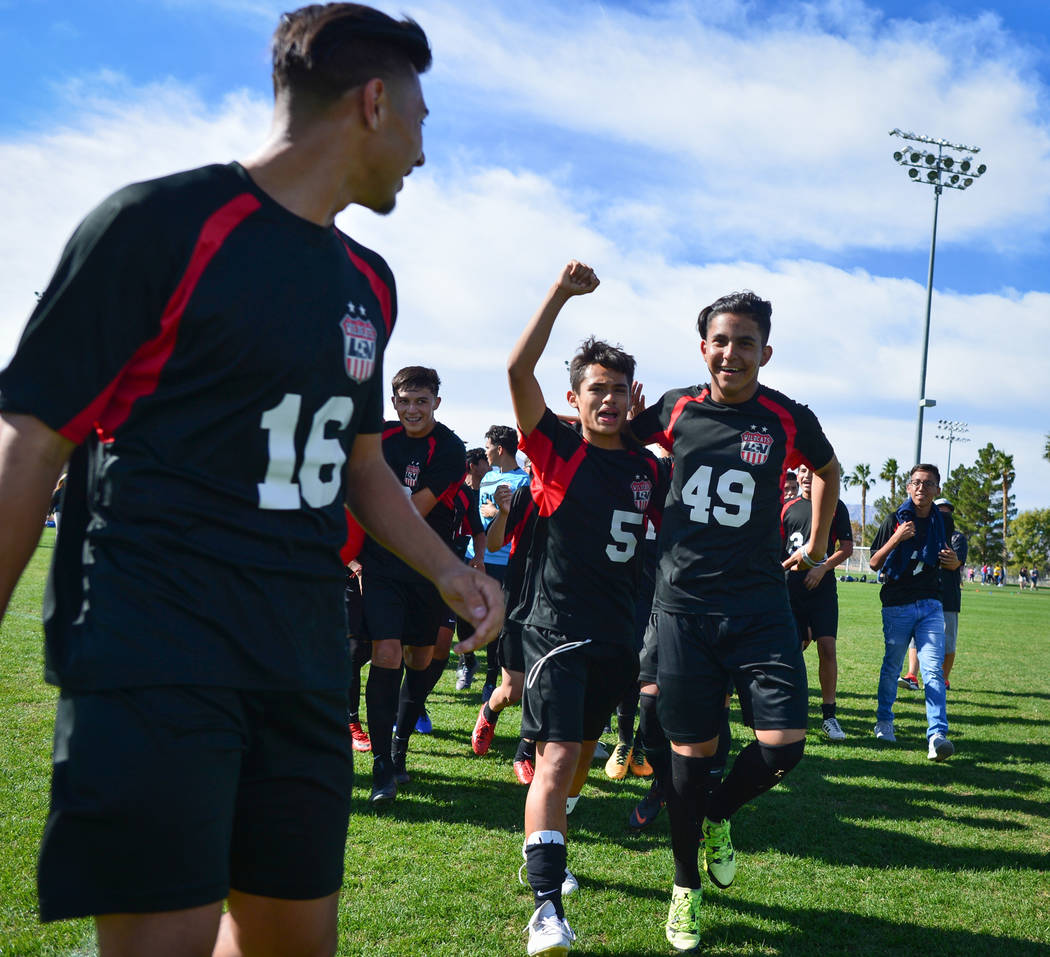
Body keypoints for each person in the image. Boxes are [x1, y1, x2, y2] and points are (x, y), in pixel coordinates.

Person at [0, 7, 504, 954]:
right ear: (374, 101)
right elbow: (29, 443)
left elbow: (358, 463)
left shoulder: (369, 280)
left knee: (290, 940)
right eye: (423, 120)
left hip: (302, 656)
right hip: (157, 646)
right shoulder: (159, 224)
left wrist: (446, 568)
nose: (423, 153)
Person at [630, 290, 840, 953]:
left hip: (760, 606)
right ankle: (685, 887)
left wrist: (815, 541)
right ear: (703, 348)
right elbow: (609, 447)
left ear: (765, 351)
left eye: (745, 342)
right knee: (688, 758)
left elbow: (828, 469)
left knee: (784, 746)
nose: (731, 352)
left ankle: (719, 815)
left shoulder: (785, 416)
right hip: (683, 608)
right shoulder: (673, 407)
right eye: (721, 340)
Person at [507, 261, 664, 956]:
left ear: (634, 398)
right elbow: (517, 370)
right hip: (555, 631)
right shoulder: (556, 450)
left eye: (619, 390)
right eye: (595, 389)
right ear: (575, 397)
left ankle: (549, 839)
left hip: (619, 638)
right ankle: (545, 906)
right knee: (558, 756)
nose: (608, 399)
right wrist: (559, 296)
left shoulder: (648, 466)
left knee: (576, 764)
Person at [359, 365, 468, 805]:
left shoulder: (451, 448)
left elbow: (411, 513)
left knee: (419, 658)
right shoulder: (379, 438)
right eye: (403, 401)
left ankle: (401, 742)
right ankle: (381, 762)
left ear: (436, 403)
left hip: (426, 567)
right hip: (382, 564)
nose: (412, 409)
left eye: (421, 401)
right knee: (384, 653)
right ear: (393, 402)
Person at [869, 465, 959, 761]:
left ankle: (937, 735)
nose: (921, 488)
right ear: (908, 488)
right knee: (892, 666)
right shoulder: (894, 519)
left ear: (937, 489)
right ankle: (884, 721)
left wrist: (953, 562)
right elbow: (874, 563)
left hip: (931, 603)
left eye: (928, 483)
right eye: (916, 483)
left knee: (932, 669)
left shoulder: (943, 521)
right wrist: (897, 538)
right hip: (897, 603)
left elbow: (949, 561)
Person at [781, 463, 854, 740]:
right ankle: (784, 710)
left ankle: (829, 716)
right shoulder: (786, 507)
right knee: (788, 650)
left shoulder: (836, 506)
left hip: (822, 589)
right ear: (796, 475)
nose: (807, 476)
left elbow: (846, 548)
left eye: (813, 470)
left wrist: (821, 568)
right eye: (802, 471)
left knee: (827, 647)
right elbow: (778, 550)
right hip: (790, 590)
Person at [476, 425, 532, 700]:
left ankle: (492, 677)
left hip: (508, 562)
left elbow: (519, 519)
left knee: (499, 622)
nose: (484, 451)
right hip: (481, 557)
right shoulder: (487, 479)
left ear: (499, 449)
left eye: (487, 446)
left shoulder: (523, 482)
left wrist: (497, 511)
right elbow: (480, 517)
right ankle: (470, 665)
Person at [899, 497, 967, 692]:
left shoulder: (957, 538)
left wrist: (934, 556)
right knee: (915, 637)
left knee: (947, 640)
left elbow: (953, 563)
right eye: (940, 511)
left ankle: (944, 679)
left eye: (947, 512)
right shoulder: (924, 534)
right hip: (922, 592)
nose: (943, 515)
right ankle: (912, 675)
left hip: (948, 597)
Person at [455, 447, 492, 690]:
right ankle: (466, 661)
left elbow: (478, 531)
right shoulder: (461, 491)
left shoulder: (480, 491)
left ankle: (473, 662)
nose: (488, 465)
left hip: (474, 562)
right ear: (473, 465)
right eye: (484, 461)